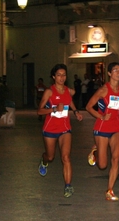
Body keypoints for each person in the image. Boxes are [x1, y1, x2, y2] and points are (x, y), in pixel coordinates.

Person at [86, 62, 119, 201]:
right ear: (109, 73)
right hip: (102, 127)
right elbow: (89, 106)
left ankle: (109, 190)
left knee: (116, 157)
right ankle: (95, 150)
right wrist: (101, 116)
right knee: (102, 165)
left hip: (116, 128)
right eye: (115, 70)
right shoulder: (103, 90)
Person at [37, 64, 83, 198]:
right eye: (59, 75)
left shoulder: (68, 91)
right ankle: (44, 160)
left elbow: (69, 101)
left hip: (65, 129)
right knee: (50, 156)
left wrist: (76, 112)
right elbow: (39, 111)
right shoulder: (49, 92)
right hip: (50, 129)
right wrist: (54, 109)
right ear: (53, 77)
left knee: (66, 157)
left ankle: (68, 186)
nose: (62, 77)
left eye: (64, 75)